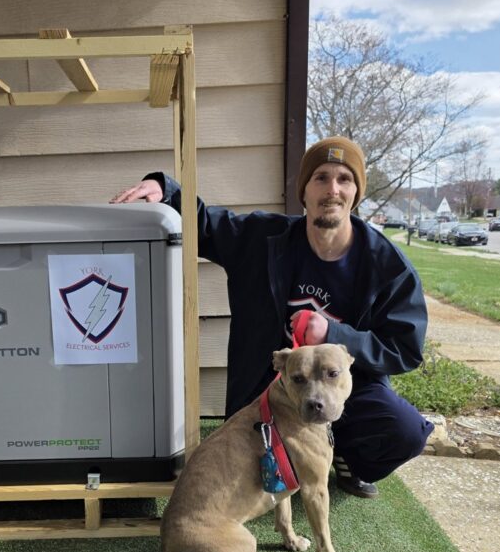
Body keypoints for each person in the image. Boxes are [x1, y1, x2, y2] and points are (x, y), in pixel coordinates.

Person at [110, 136, 432, 498]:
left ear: (356, 193)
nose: (332, 189)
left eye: (344, 179)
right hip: (270, 389)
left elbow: (405, 347)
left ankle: (346, 457)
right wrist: (165, 190)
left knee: (406, 432)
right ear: (304, 191)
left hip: (339, 386)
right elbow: (204, 224)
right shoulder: (263, 238)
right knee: (250, 479)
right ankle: (292, 450)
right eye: (321, 178)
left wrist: (336, 335)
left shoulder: (386, 265)